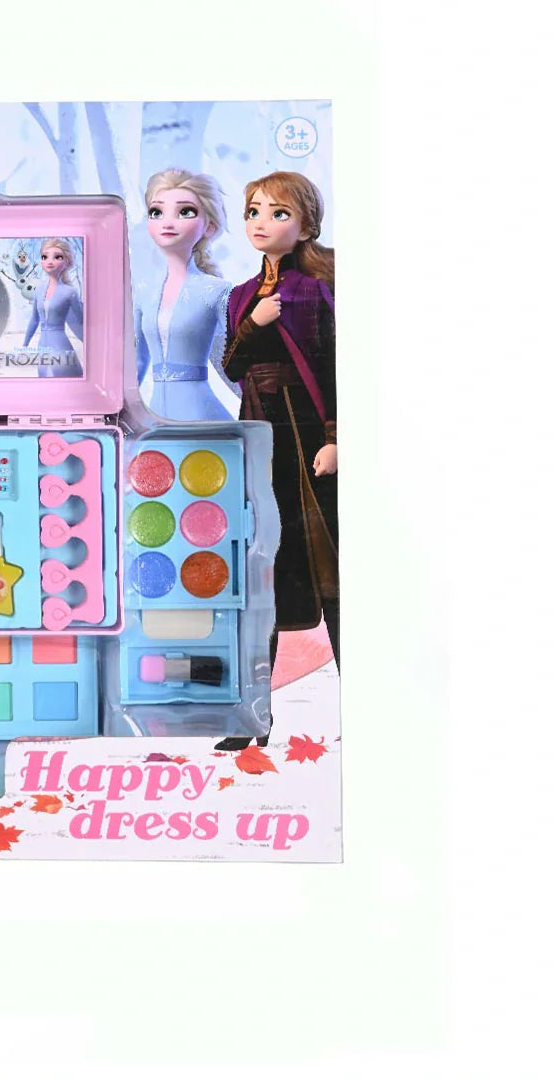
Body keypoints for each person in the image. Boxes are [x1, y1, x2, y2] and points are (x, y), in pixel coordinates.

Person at [216, 171, 339, 750]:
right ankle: (254, 719)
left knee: (331, 566)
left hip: (309, 434)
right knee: (261, 569)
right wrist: (253, 323)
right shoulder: (242, 294)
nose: (261, 222)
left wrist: (336, 436)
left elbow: (334, 364)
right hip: (261, 433)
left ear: (306, 224)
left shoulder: (318, 288)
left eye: (278, 213)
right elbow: (231, 366)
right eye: (253, 211)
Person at [135, 168, 237, 420]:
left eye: (185, 212)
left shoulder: (217, 291)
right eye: (156, 212)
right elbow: (138, 364)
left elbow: (230, 365)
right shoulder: (145, 293)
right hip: (156, 418)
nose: (167, 222)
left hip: (203, 419)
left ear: (210, 227)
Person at [23, 237, 84, 377]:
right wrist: (25, 344)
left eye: (57, 257)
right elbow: (34, 320)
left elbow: (80, 321)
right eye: (45, 257)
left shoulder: (69, 292)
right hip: (42, 345)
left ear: (67, 262)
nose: (50, 261)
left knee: (62, 373)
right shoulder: (38, 290)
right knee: (44, 375)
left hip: (59, 343)